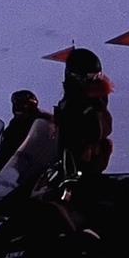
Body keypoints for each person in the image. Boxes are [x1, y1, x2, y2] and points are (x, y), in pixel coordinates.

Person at [53, 48, 113, 179]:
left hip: (84, 166)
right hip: (68, 163)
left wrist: (87, 146)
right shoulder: (72, 100)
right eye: (91, 77)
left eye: (96, 76)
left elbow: (99, 130)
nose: (95, 80)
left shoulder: (92, 102)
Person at [0, 89, 52, 172]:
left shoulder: (45, 121)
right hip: (15, 169)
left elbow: (51, 143)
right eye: (16, 104)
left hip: (40, 167)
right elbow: (6, 148)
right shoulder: (14, 125)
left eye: (23, 104)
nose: (18, 107)